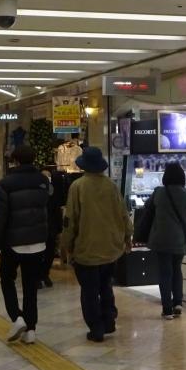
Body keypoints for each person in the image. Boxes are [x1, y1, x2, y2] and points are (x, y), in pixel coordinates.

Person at [59, 146, 132, 343]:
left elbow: (70, 220)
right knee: (106, 286)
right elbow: (123, 214)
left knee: (89, 291)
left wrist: (66, 245)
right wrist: (127, 237)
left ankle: (96, 328)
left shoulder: (78, 187)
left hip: (87, 249)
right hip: (111, 248)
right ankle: (109, 320)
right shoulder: (111, 186)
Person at [0, 145, 51, 344]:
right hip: (38, 242)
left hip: (13, 243)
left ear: (14, 161)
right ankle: (31, 330)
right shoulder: (43, 181)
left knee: (6, 278)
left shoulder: (5, 184)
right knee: (30, 286)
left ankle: (17, 317)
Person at [142, 161, 186, 319]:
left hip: (160, 239)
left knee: (165, 273)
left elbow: (147, 207)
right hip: (180, 240)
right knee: (177, 270)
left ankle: (167, 309)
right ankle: (178, 303)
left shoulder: (159, 192)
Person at [39, 168, 67, 288]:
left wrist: (59, 229)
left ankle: (45, 274)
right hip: (39, 228)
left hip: (51, 228)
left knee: (50, 253)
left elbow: (57, 211)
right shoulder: (35, 192)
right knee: (39, 254)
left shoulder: (53, 192)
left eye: (48, 176)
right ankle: (39, 276)